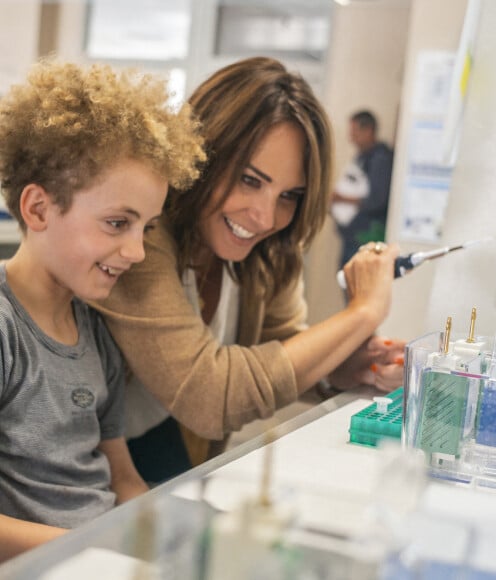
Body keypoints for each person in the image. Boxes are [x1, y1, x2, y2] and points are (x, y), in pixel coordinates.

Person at [92, 57, 406, 484]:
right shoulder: (141, 240)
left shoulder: (268, 251)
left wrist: (338, 368)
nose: (263, 216)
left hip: (174, 455)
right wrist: (362, 312)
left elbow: (281, 346)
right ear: (200, 154)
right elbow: (209, 396)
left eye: (289, 195)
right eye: (249, 180)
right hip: (94, 470)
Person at [0, 58, 204, 562]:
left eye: (147, 228)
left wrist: (160, 538)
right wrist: (95, 547)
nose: (136, 252)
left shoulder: (94, 330)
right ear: (38, 209)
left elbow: (121, 477)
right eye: (118, 224)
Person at [332, 110, 395, 269]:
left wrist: (341, 199)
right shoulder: (362, 157)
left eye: (354, 132)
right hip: (352, 236)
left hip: (364, 238)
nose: (351, 137)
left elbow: (377, 200)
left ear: (368, 130)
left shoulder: (380, 159)